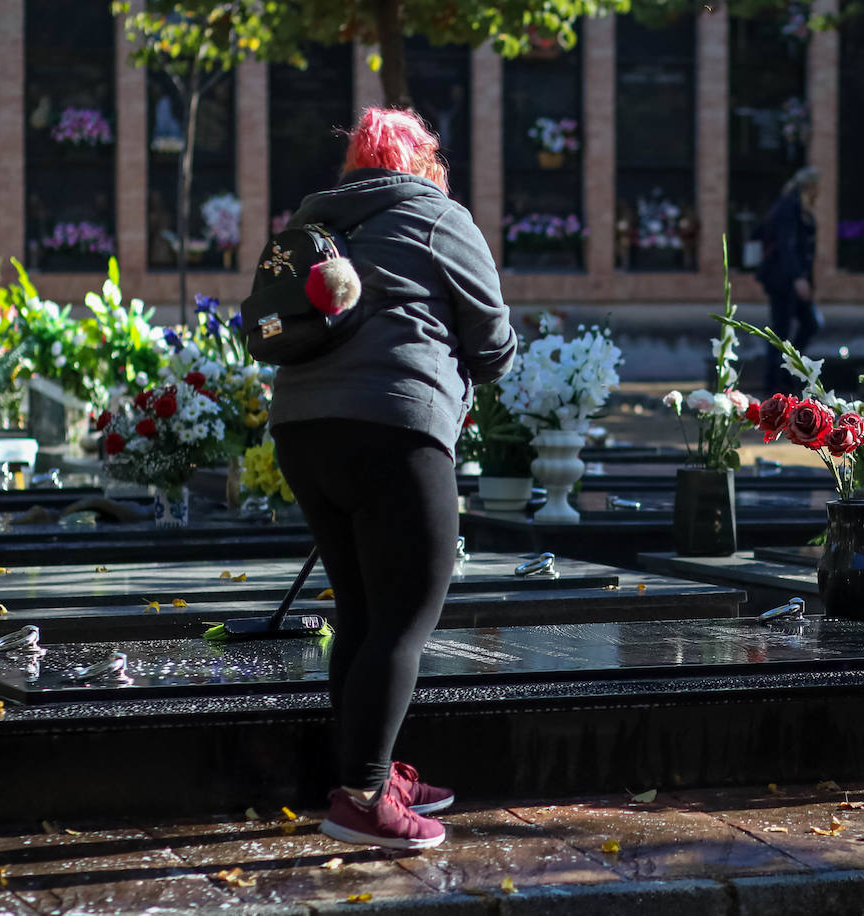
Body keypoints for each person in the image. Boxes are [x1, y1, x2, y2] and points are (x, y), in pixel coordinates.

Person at [267, 108, 517, 851]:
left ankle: (361, 774)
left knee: (362, 613)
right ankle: (362, 801)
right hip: (397, 428)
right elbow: (494, 339)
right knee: (405, 618)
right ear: (425, 162)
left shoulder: (315, 224)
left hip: (302, 432)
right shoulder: (439, 218)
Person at [755, 166, 823, 391]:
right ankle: (775, 382)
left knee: (809, 323)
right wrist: (797, 278)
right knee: (781, 329)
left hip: (794, 278)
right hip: (783, 279)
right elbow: (787, 245)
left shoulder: (801, 208)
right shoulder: (789, 207)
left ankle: (788, 370)